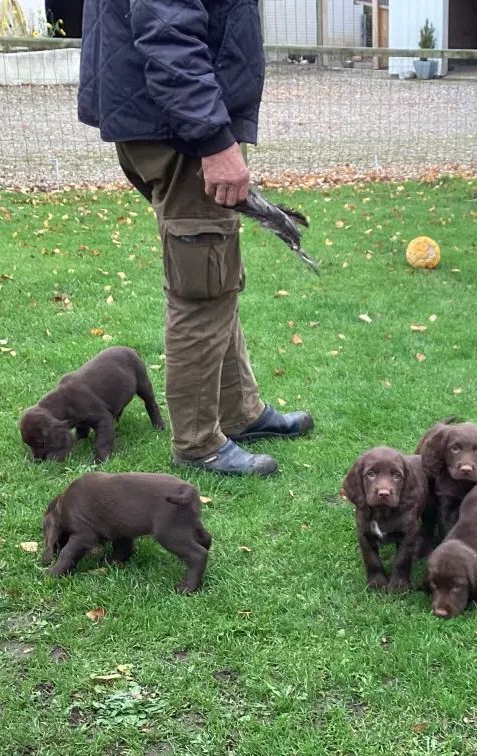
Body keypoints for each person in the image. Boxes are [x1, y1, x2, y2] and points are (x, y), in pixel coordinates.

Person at [78, 0, 312, 476]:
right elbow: (168, 34)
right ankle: (198, 443)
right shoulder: (195, 130)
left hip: (166, 120)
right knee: (201, 288)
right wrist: (213, 138)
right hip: (180, 130)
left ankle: (239, 411)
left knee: (215, 276)